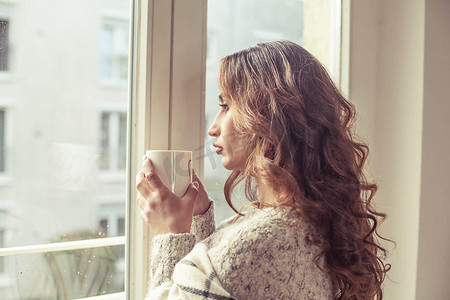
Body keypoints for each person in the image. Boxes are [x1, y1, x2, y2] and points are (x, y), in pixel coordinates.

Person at [136, 40, 390, 299]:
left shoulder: (261, 241)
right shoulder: (309, 220)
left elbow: (229, 271)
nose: (213, 127)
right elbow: (223, 287)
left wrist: (171, 233)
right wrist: (199, 218)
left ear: (268, 116)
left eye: (225, 106)